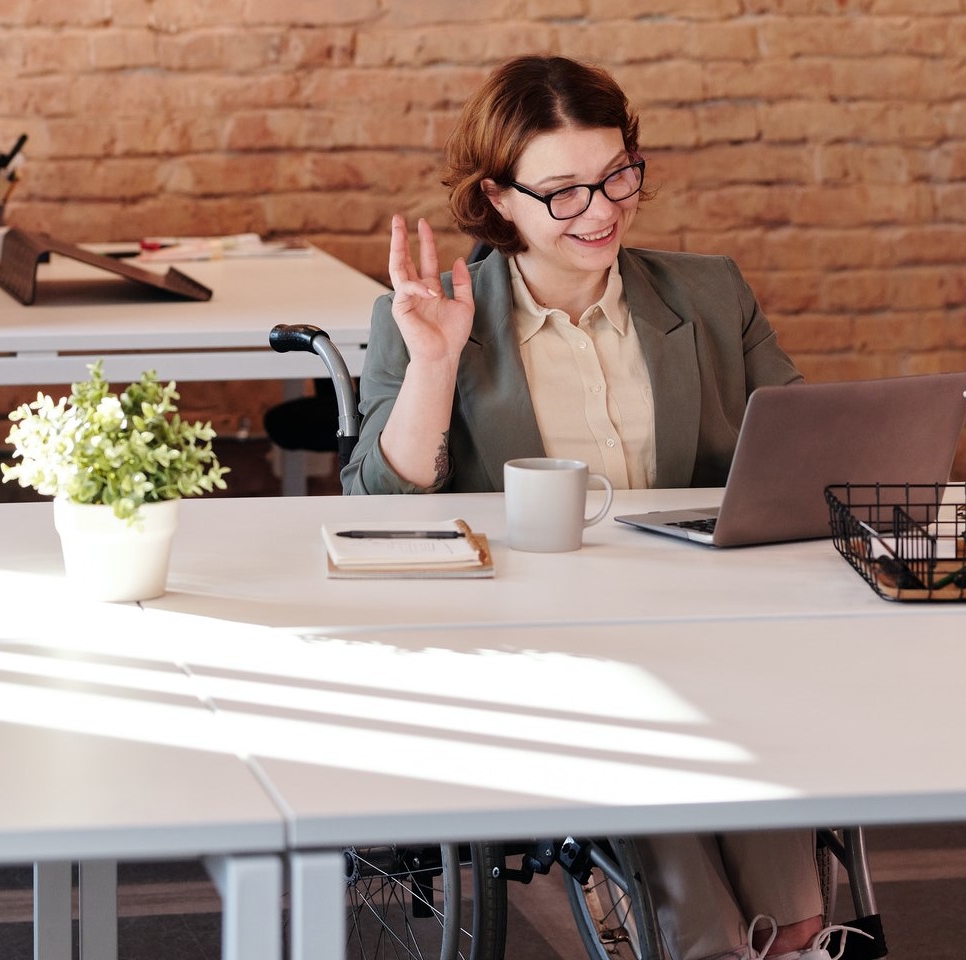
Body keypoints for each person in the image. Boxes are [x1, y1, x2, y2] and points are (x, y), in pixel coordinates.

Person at [342, 54, 863, 960]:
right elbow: (380, 505)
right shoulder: (425, 316)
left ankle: (793, 936)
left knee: (751, 689)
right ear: (498, 199)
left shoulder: (707, 296)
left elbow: (799, 453)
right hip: (531, 637)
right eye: (565, 191)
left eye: (618, 175)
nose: (603, 210)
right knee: (643, 712)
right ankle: (720, 946)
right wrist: (435, 365)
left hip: (702, 616)